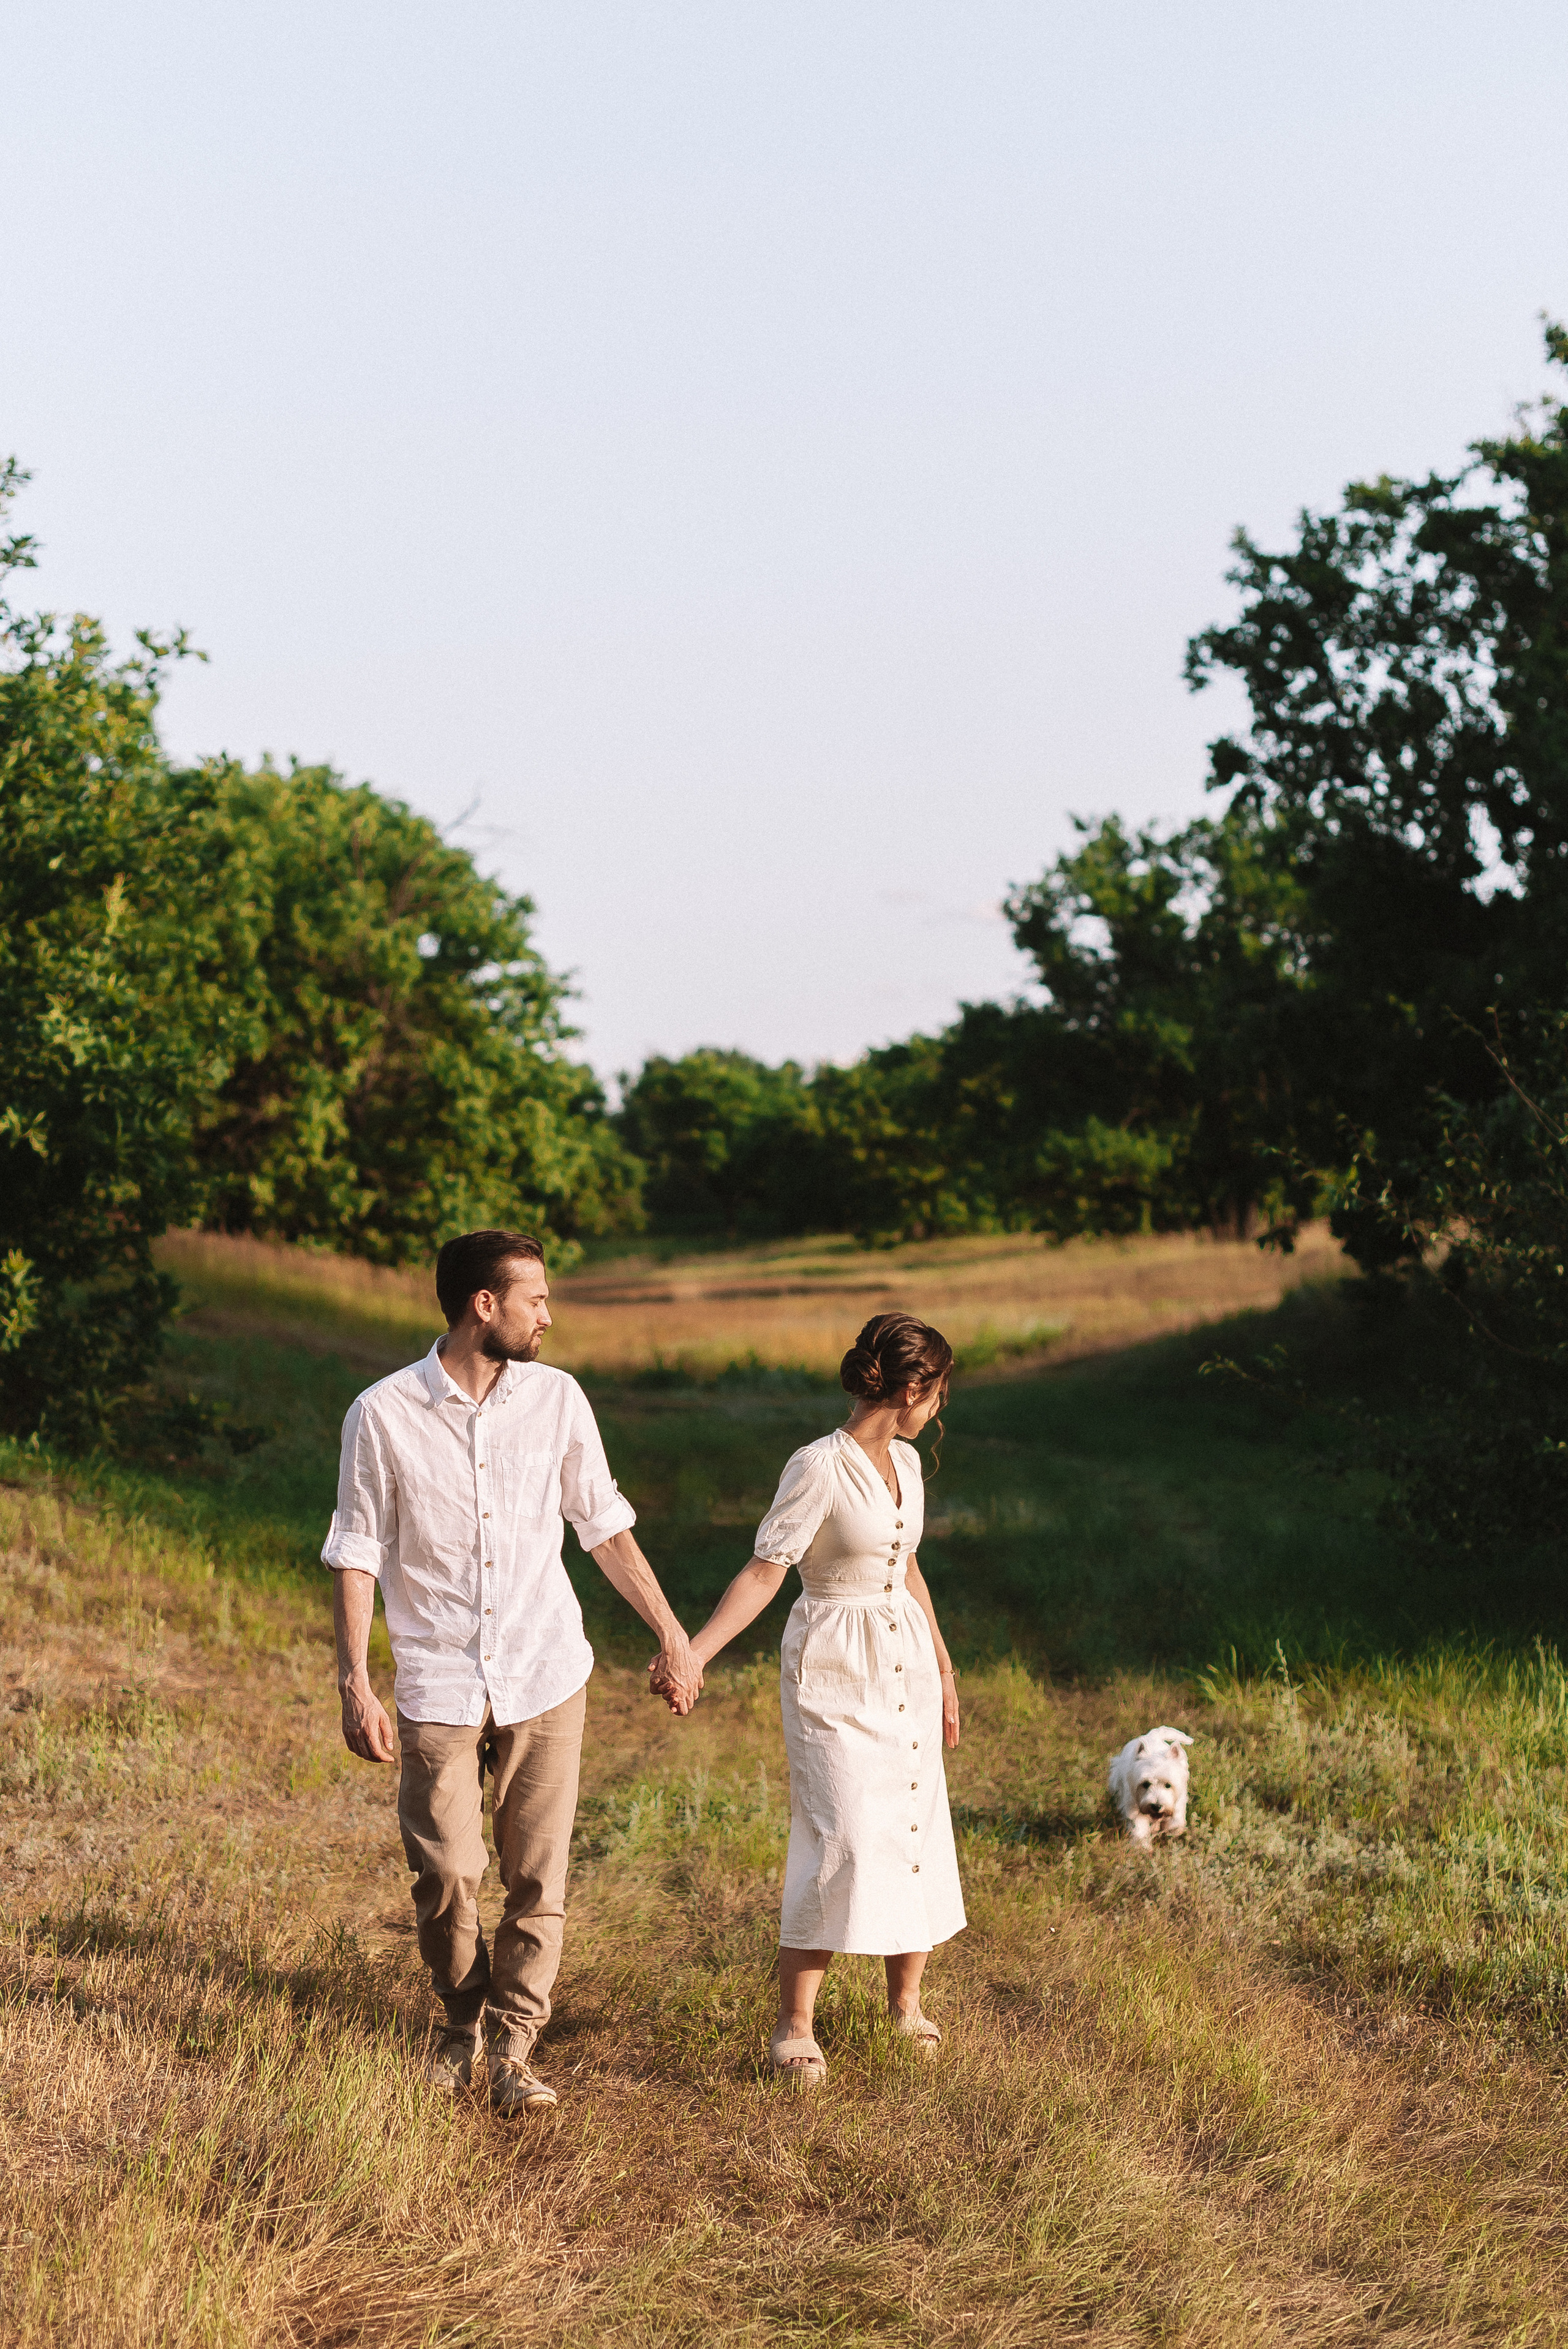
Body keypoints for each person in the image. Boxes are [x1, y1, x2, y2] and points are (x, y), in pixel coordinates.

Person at [323, 1227, 701, 2117]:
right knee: (447, 1870)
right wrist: (355, 1681)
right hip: (437, 1677)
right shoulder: (380, 1413)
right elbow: (356, 1552)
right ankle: (460, 2020)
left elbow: (602, 1524)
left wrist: (671, 1631)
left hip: (543, 1668)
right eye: (535, 1298)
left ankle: (512, 2043)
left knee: (539, 1876)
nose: (548, 1315)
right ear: (482, 1305)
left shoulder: (559, 1400)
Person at [685, 1311, 965, 2087]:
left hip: (902, 1658)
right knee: (838, 1831)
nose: (937, 1408)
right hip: (834, 1663)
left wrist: (941, 1668)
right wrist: (694, 1653)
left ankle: (905, 2005)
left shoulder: (906, 1465)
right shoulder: (816, 1465)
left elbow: (906, 1570)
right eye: (936, 1392)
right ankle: (794, 2025)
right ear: (911, 1387)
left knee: (911, 1821)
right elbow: (766, 1570)